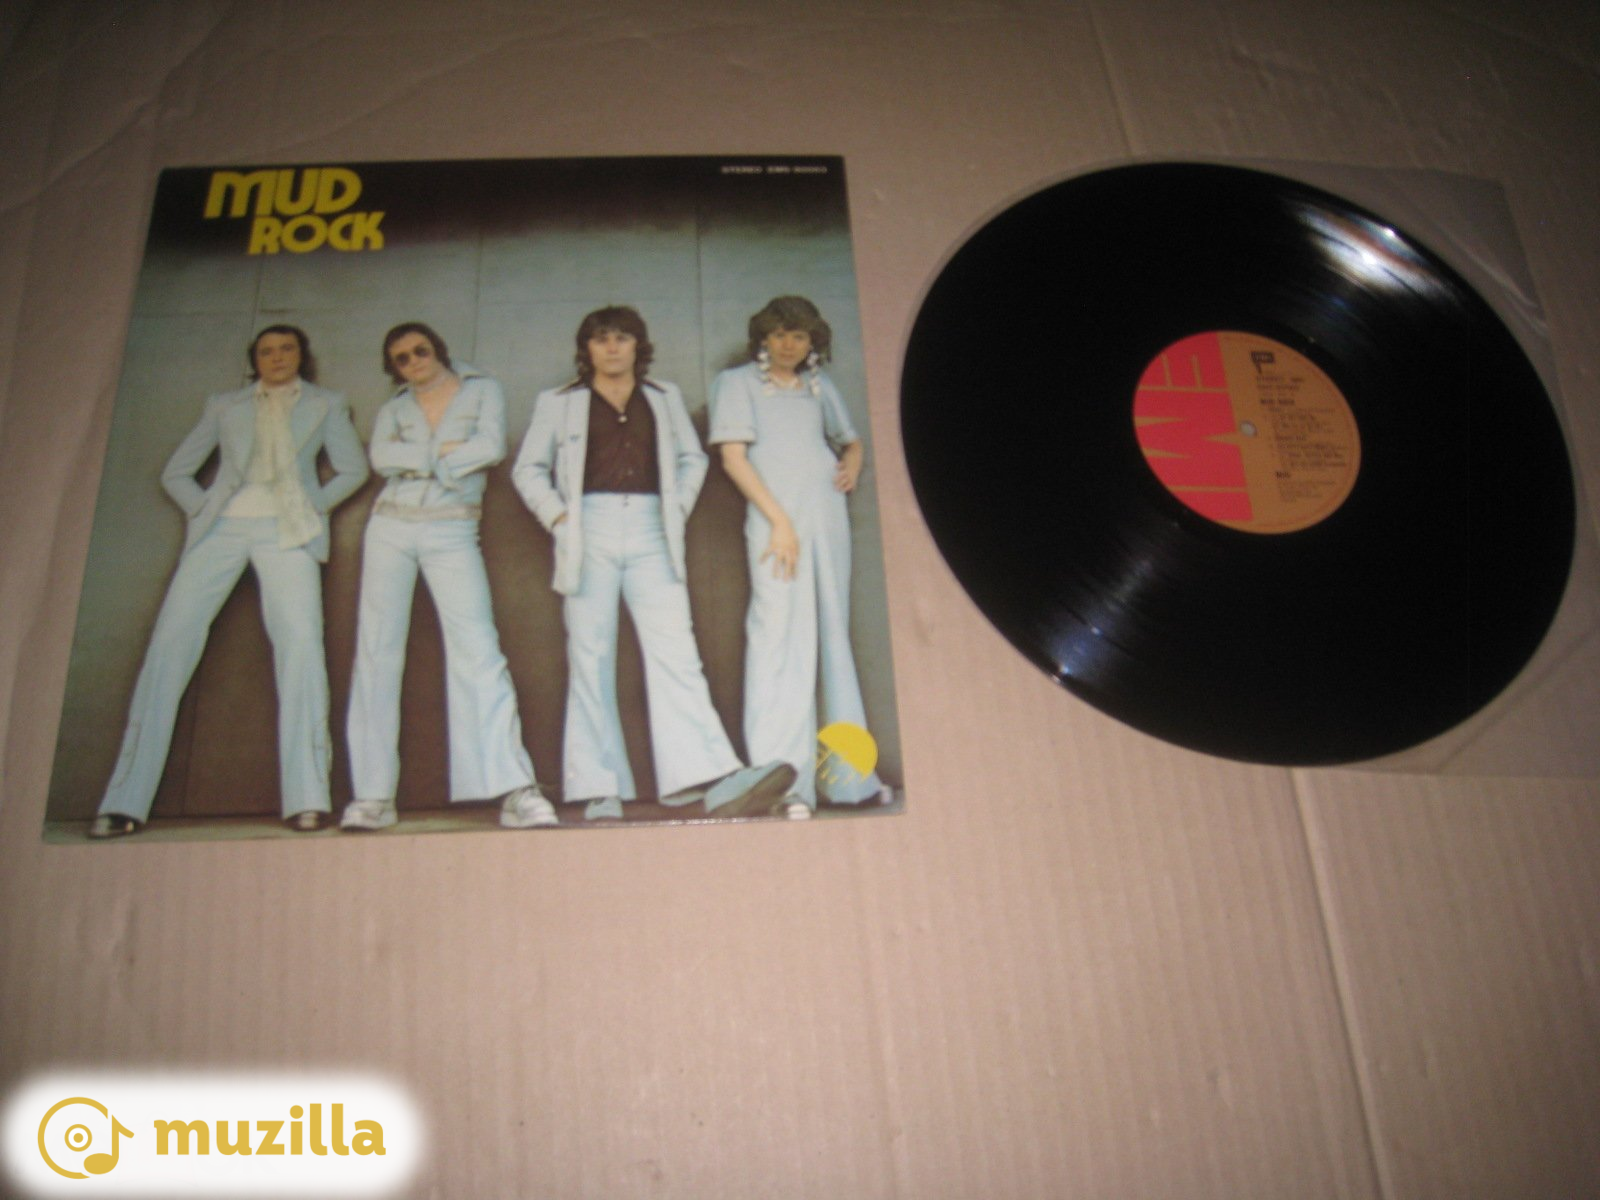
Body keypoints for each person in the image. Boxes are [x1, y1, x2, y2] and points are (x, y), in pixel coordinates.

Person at [512, 305, 794, 820]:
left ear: (638, 346)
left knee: (677, 653)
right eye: (601, 339)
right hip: (587, 527)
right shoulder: (558, 402)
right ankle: (599, 788)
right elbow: (528, 469)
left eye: (622, 338)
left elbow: (692, 458)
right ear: (587, 349)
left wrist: (675, 509)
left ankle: (705, 777)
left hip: (652, 529)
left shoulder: (664, 398)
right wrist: (560, 518)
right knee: (590, 655)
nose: (612, 347)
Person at [89, 325, 369, 837]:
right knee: (169, 645)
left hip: (290, 533)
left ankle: (308, 798)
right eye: (267, 351)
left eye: (286, 349)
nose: (277, 357)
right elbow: (176, 473)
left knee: (301, 648)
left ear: (301, 356)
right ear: (255, 359)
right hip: (221, 531)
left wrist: (312, 508)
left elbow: (353, 469)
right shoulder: (224, 405)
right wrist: (205, 512)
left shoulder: (327, 403)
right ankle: (123, 801)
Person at [340, 322, 555, 832]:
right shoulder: (394, 408)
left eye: (421, 350)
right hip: (389, 527)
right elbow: (380, 458)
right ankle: (372, 796)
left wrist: (417, 462)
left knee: (478, 651)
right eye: (401, 358)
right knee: (376, 653)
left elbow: (491, 447)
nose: (414, 361)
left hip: (453, 527)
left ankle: (515, 791)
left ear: (438, 349)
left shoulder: (483, 390)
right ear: (393, 368)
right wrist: (444, 454)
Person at [709, 296, 884, 820]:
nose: (790, 345)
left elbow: (850, 441)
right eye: (781, 334)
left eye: (801, 336)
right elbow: (733, 458)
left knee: (833, 636)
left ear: (813, 342)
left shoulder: (818, 385)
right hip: (774, 526)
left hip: (826, 518)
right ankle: (785, 783)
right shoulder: (736, 384)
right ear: (763, 337)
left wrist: (852, 462)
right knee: (779, 640)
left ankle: (849, 781)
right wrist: (779, 522)